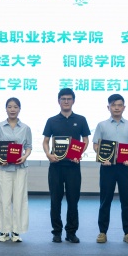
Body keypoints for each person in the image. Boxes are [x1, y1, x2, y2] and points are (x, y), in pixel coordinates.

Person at [42, 88, 90, 243]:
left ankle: (71, 232)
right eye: (63, 99)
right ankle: (56, 232)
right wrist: (48, 155)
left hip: (73, 167)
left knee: (73, 201)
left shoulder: (81, 120)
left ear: (73, 101)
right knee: (55, 200)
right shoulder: (51, 121)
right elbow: (45, 141)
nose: (66, 101)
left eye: (69, 99)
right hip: (56, 166)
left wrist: (79, 152)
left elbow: (86, 140)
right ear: (59, 101)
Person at [92, 94, 128, 244]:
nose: (117, 108)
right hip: (107, 167)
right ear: (108, 107)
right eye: (113, 105)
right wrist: (102, 158)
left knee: (126, 201)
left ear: (124, 107)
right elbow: (96, 145)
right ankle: (102, 232)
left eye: (120, 105)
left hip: (125, 167)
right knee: (105, 200)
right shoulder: (102, 125)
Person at [0, 97, 32, 242]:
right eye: (9, 107)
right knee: (4, 199)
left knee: (20, 199)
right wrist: (0, 157)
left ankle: (16, 231)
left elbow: (28, 147)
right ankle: (3, 230)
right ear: (6, 109)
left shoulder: (26, 128)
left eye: (15, 107)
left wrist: (25, 156)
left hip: (20, 167)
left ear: (19, 109)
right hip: (4, 168)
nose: (12, 109)